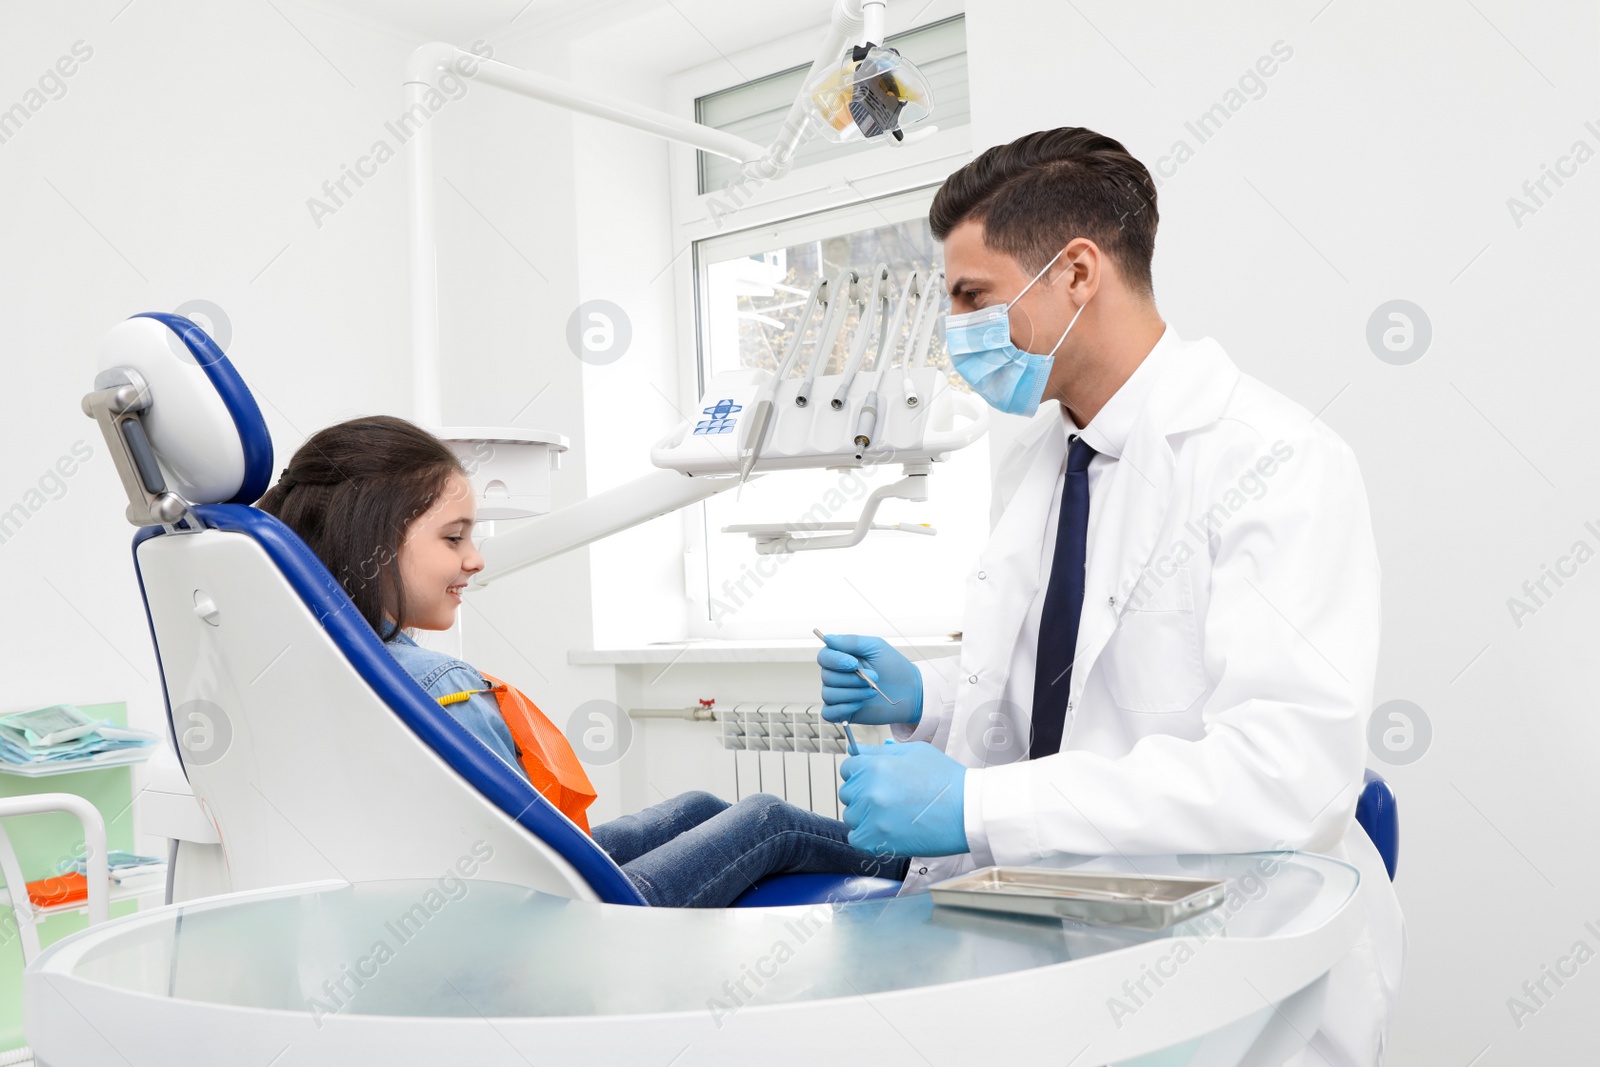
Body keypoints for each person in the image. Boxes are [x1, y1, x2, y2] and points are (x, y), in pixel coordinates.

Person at [817, 128, 1401, 1064]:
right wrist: (929, 698)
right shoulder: (1044, 454)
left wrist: (976, 808)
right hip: (1048, 935)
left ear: (1077, 273)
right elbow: (1067, 686)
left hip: (1229, 971)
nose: (956, 329)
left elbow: (1284, 774)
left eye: (973, 296)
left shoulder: (1275, 462)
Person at [259, 415, 906, 908]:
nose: (476, 558)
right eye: (454, 537)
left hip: (461, 894)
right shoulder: (437, 685)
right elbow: (528, 853)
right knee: (768, 819)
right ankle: (939, 872)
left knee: (698, 804)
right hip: (562, 915)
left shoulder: (319, 662)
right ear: (373, 539)